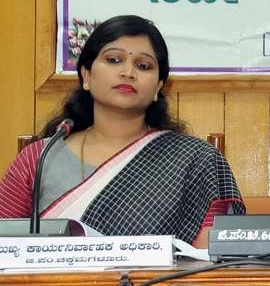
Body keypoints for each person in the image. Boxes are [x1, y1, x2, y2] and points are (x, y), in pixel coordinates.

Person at [0, 15, 244, 247]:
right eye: (114, 60)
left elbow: (210, 261)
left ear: (159, 86)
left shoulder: (195, 160)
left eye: (143, 65)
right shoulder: (40, 158)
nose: (128, 72)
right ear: (86, 75)